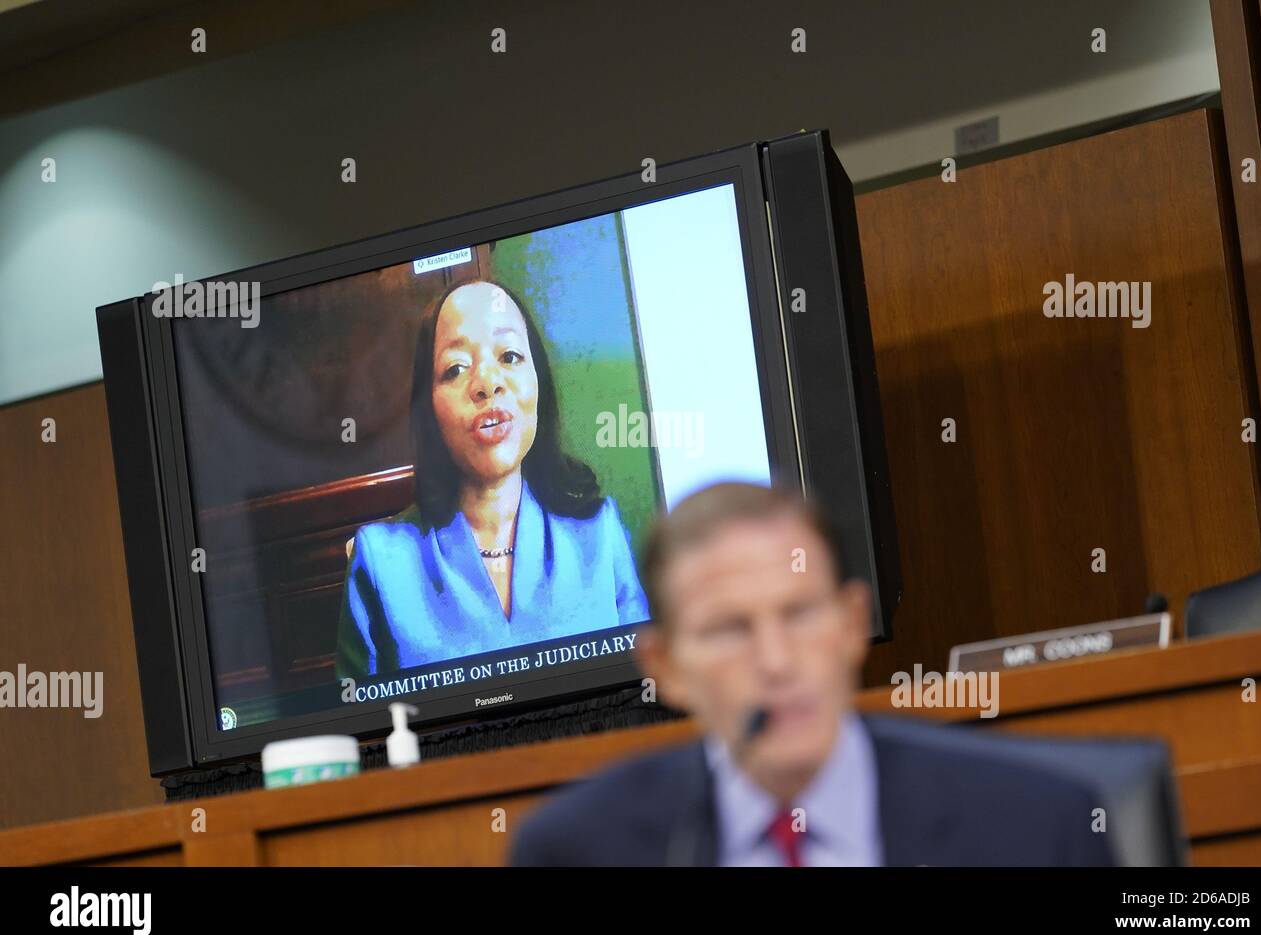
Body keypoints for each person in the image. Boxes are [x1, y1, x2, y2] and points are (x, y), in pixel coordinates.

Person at [509, 481, 1116, 866]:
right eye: (729, 630)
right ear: (666, 668)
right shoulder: (577, 852)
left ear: (852, 625)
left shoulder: (1034, 827)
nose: (776, 662)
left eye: (799, 616)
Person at [336, 279, 649, 679]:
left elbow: (645, 705)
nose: (487, 383)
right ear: (428, 409)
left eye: (511, 356)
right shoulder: (379, 561)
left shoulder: (600, 532)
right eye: (455, 368)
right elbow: (365, 734)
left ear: (540, 386)